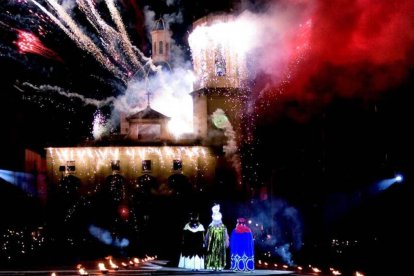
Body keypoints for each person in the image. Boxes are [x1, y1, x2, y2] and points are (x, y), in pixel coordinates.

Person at [205, 204, 229, 271]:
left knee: (220, 253)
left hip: (220, 243)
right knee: (212, 253)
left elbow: (226, 235)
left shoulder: (223, 227)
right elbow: (207, 235)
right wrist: (206, 242)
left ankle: (220, 266)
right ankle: (212, 266)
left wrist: (226, 242)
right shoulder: (211, 226)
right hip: (212, 243)